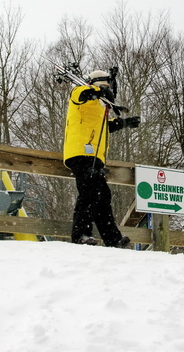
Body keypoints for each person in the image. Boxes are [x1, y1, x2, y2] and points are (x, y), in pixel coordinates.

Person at [63, 69, 140, 248]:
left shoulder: (98, 107)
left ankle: (112, 239)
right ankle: (81, 234)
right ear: (95, 84)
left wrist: (123, 123)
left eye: (107, 87)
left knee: (103, 196)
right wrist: (98, 91)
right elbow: (84, 94)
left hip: (95, 156)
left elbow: (103, 128)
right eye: (102, 86)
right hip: (80, 152)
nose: (105, 89)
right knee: (89, 193)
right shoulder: (79, 92)